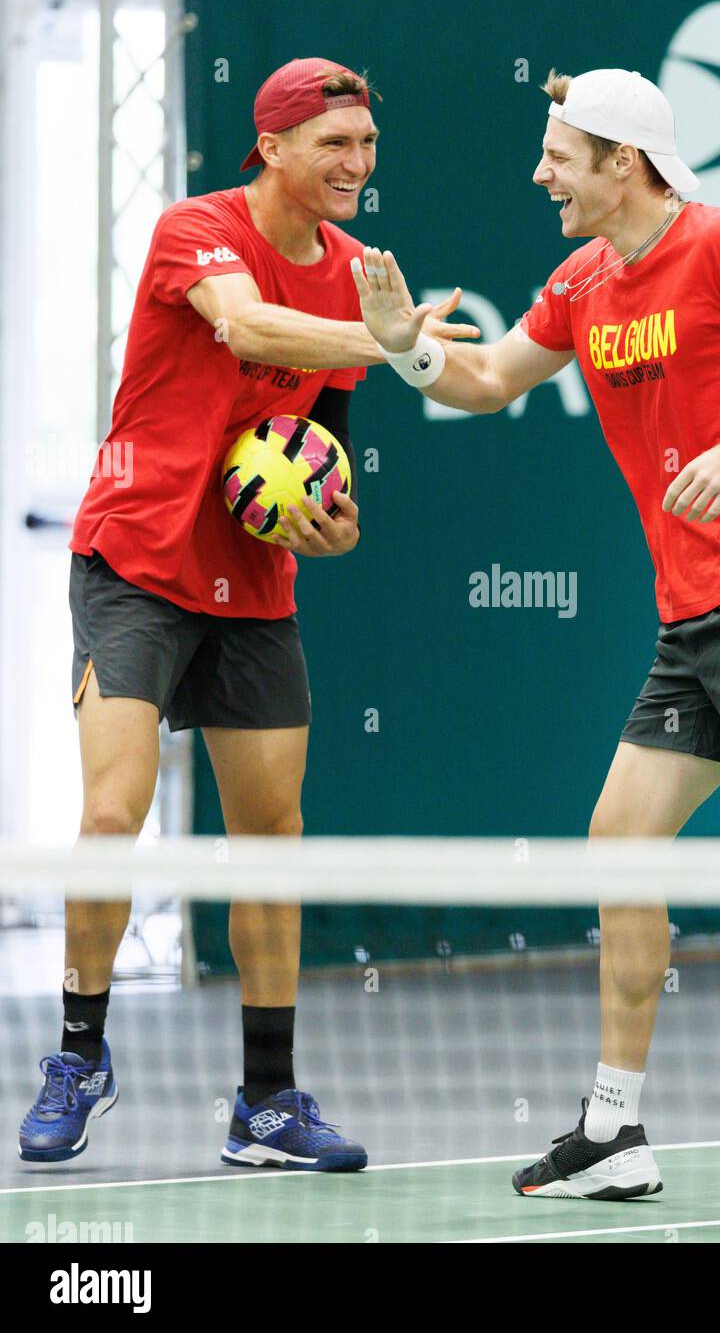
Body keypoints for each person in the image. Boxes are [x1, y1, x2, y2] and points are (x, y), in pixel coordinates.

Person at [348, 67, 720, 1210]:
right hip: (692, 620)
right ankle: (614, 1127)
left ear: (620, 163)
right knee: (618, 842)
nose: (540, 175)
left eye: (558, 157)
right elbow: (487, 380)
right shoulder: (582, 279)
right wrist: (405, 348)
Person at [19, 57, 476, 1173]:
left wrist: (338, 520)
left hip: (252, 587)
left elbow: (324, 437)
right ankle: (79, 1054)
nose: (357, 166)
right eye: (335, 146)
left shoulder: (362, 272)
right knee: (114, 812)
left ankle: (265, 1105)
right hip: (133, 557)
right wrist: (399, 341)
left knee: (269, 838)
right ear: (270, 147)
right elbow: (248, 331)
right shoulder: (197, 230)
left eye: (367, 145)